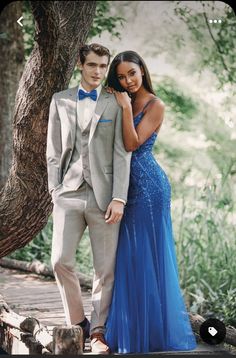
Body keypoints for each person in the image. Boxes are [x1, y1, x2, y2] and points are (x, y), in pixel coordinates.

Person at [104, 51, 197, 353]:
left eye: (131, 73)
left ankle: (154, 334)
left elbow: (132, 144)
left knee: (147, 256)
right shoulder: (118, 100)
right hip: (123, 188)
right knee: (129, 258)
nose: (127, 81)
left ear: (142, 70)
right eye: (120, 76)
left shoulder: (155, 105)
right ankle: (134, 329)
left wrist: (125, 108)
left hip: (149, 190)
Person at [46, 43, 131, 354]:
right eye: (92, 65)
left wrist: (119, 197)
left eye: (102, 66)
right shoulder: (61, 100)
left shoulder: (115, 102)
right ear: (80, 65)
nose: (98, 71)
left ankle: (98, 332)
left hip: (105, 196)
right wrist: (54, 189)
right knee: (60, 261)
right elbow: (54, 151)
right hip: (68, 193)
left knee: (104, 269)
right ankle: (77, 322)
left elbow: (122, 153)